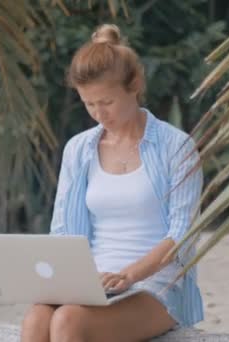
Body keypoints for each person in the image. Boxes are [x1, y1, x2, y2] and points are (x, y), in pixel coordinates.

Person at [21, 24, 204, 342]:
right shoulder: (79, 149)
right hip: (92, 283)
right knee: (37, 318)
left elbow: (182, 237)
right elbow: (62, 232)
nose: (98, 114)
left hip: (156, 285)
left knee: (67, 321)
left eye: (106, 102)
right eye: (89, 104)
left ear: (134, 85)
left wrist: (128, 275)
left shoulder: (177, 147)